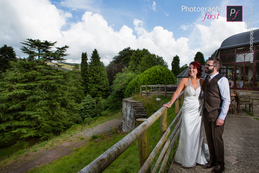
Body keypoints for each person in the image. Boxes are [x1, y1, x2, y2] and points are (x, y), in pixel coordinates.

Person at [163, 61, 209, 167]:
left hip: (198, 110)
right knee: (188, 133)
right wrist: (170, 104)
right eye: (190, 68)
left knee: (197, 134)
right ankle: (187, 159)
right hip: (188, 110)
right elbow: (176, 92)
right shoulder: (184, 80)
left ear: (198, 70)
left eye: (194, 68)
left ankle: (197, 155)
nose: (191, 70)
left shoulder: (201, 81)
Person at [202, 57, 230, 173]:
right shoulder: (206, 78)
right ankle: (212, 160)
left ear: (216, 67)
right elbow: (205, 94)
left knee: (217, 139)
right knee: (209, 138)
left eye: (208, 65)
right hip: (206, 112)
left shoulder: (222, 80)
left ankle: (220, 164)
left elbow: (226, 100)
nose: (206, 67)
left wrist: (221, 117)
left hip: (216, 113)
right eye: (206, 64)